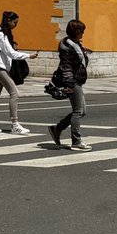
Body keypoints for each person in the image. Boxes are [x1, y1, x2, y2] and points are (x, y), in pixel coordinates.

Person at [0, 10, 37, 135]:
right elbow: (10, 53)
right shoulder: (0, 35)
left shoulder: (3, 33)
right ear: (8, 21)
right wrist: (29, 56)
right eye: (15, 22)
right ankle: (15, 124)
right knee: (15, 94)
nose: (16, 25)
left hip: (1, 68)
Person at [49, 18, 91, 151]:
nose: (83, 34)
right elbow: (66, 66)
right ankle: (76, 142)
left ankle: (57, 129)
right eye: (81, 31)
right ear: (75, 32)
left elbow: (77, 62)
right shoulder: (67, 46)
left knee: (81, 111)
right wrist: (70, 84)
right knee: (78, 111)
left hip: (77, 79)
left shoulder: (75, 44)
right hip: (73, 81)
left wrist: (84, 54)